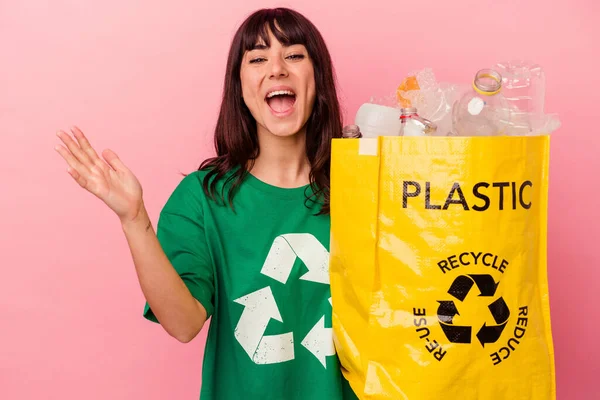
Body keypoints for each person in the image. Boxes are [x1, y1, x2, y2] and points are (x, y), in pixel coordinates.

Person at [54, 7, 358, 400]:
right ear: (240, 85)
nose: (278, 68)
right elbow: (183, 324)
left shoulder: (363, 186)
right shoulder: (202, 198)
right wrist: (134, 219)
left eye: (295, 55)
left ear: (318, 78)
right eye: (258, 58)